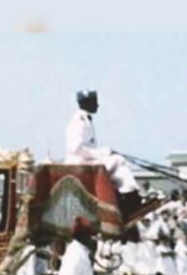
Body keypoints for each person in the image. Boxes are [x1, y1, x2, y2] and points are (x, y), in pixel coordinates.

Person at [64, 90, 157, 225]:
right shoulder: (79, 121)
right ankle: (131, 201)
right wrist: (102, 153)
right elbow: (75, 148)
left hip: (86, 159)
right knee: (117, 161)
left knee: (116, 161)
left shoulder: (85, 119)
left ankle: (126, 197)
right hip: (79, 161)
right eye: (95, 102)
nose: (98, 105)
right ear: (87, 103)